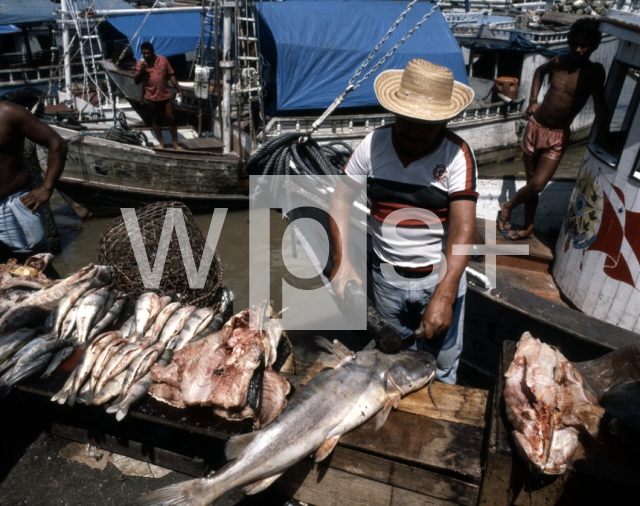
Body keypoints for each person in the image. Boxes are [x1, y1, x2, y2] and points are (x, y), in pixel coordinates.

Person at [329, 59, 477, 384]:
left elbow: (463, 228)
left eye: (426, 125)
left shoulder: (458, 154)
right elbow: (340, 199)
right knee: (390, 368)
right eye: (407, 121)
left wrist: (445, 295)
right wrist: (341, 264)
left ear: (445, 120)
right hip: (387, 281)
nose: (413, 131)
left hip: (438, 278)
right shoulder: (373, 145)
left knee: (442, 368)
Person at [498, 19, 610, 240]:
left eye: (585, 45)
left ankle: (507, 206)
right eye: (575, 43)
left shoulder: (594, 71)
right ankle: (528, 227)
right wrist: (532, 101)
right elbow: (539, 72)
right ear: (569, 41)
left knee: (538, 185)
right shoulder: (559, 62)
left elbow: (600, 106)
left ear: (594, 46)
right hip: (535, 127)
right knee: (531, 184)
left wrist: (605, 135)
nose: (578, 49)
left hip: (557, 136)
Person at [0, 99, 67, 257]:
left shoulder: (8, 112)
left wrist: (47, 188)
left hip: (12, 205)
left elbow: (57, 144)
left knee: (35, 266)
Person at [134, 42, 184, 150]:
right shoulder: (140, 64)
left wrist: (179, 89)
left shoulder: (163, 60)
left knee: (171, 117)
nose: (146, 55)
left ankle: (175, 143)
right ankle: (162, 143)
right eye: (144, 53)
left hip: (165, 94)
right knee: (156, 119)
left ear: (152, 52)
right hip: (151, 96)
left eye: (148, 53)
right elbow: (137, 81)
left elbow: (171, 75)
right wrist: (142, 70)